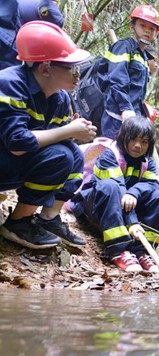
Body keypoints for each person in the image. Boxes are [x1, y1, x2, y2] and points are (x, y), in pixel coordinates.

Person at [0, 21, 96, 249]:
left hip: (14, 163)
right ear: (45, 68)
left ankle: (49, 218)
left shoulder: (60, 98)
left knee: (73, 153)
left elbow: (56, 139)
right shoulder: (10, 84)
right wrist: (67, 131)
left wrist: (74, 133)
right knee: (61, 155)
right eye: (71, 68)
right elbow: (17, 142)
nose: (77, 75)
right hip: (7, 156)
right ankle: (18, 222)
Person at [70, 116, 159, 272]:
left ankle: (142, 251)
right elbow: (118, 188)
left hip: (125, 210)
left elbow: (152, 183)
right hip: (97, 207)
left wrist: (134, 193)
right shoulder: (109, 155)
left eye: (144, 142)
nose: (138, 146)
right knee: (111, 186)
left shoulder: (148, 162)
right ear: (124, 138)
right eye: (133, 139)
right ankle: (118, 250)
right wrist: (132, 222)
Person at [100, 4, 159, 139]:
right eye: (142, 26)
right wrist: (126, 109)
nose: (147, 31)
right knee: (113, 156)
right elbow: (117, 80)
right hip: (117, 117)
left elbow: (137, 91)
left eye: (152, 28)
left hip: (133, 118)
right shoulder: (123, 47)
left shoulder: (144, 57)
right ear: (132, 27)